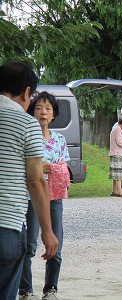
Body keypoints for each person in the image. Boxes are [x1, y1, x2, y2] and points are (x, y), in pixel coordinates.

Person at [0, 61, 58, 300]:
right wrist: (47, 231)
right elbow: (35, 181)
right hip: (7, 227)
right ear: (26, 92)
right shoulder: (26, 123)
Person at [18, 92, 71, 300]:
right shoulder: (28, 137)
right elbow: (23, 167)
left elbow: (64, 167)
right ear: (33, 112)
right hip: (31, 198)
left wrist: (57, 169)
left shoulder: (60, 139)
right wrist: (39, 168)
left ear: (54, 115)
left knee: (55, 244)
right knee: (29, 245)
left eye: (48, 108)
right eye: (39, 107)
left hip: (54, 198)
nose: (43, 112)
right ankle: (25, 291)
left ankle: (51, 289)